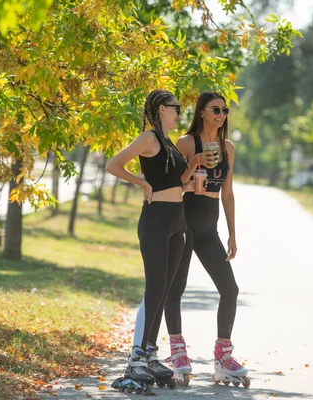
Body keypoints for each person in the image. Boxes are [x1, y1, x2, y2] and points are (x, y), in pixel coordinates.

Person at [106, 89, 191, 394]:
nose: (179, 112)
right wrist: (142, 183)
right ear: (159, 109)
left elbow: (175, 180)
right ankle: (135, 360)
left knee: (165, 290)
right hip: (155, 221)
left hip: (177, 222)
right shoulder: (149, 138)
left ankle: (151, 354)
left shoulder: (169, 143)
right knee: (154, 288)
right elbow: (113, 164)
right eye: (175, 107)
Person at [164, 91, 250, 388]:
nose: (221, 114)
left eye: (225, 110)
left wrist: (233, 233)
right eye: (216, 109)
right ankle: (177, 352)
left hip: (209, 226)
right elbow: (172, 185)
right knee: (175, 288)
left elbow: (227, 192)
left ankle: (223, 356)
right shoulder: (186, 144)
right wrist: (194, 166)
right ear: (201, 111)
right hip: (184, 221)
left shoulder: (228, 148)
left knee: (230, 288)